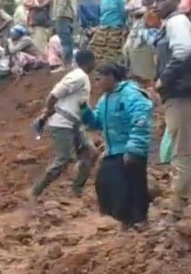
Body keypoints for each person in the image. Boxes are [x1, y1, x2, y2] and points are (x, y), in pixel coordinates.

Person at [81, 63, 153, 229]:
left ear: (111, 77)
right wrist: (84, 110)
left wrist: (134, 148)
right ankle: (125, 220)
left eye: (100, 78)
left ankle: (140, 220)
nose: (97, 82)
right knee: (106, 183)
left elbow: (141, 119)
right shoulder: (105, 99)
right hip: (114, 150)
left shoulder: (130, 94)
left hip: (130, 148)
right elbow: (96, 122)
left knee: (134, 186)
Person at [148, 0, 191, 224]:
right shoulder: (171, 23)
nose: (155, 5)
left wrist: (165, 78)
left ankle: (176, 213)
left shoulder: (176, 22)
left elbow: (184, 50)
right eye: (152, 1)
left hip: (181, 94)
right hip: (179, 94)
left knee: (182, 154)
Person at [32, 49, 96, 202]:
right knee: (64, 158)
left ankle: (77, 189)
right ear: (90, 62)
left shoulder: (81, 76)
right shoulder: (78, 76)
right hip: (63, 123)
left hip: (74, 123)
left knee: (90, 153)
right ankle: (36, 190)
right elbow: (54, 94)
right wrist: (46, 112)